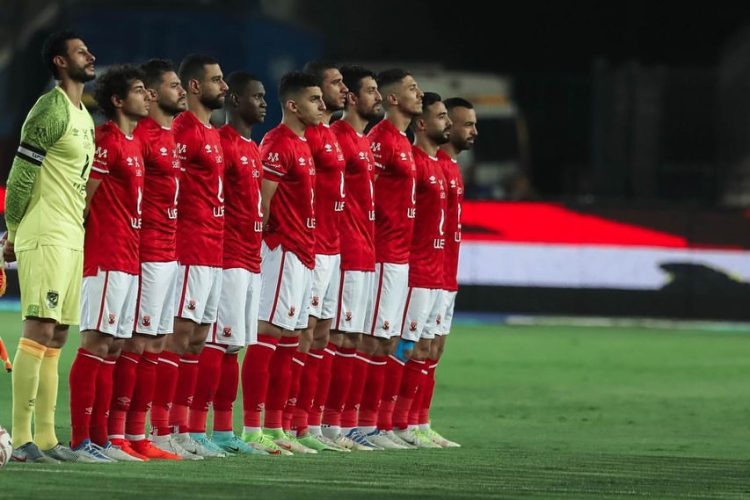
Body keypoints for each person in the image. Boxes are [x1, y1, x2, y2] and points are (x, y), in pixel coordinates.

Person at [4, 30, 96, 463]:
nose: (90, 56)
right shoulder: (50, 108)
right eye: (80, 52)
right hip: (45, 231)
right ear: (60, 62)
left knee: (58, 334)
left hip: (71, 235)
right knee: (39, 327)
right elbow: (21, 174)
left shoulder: (84, 115)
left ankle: (45, 438)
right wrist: (13, 230)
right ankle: (22, 439)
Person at [68, 64, 149, 462]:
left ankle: (101, 440)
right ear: (118, 100)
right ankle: (81, 440)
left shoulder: (133, 143)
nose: (146, 96)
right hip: (106, 256)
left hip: (129, 257)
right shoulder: (108, 140)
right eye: (138, 90)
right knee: (96, 344)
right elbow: (83, 199)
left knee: (114, 346)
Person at [240, 71, 322, 455]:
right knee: (267, 334)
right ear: (292, 105)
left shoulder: (302, 143)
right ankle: (251, 428)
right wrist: (265, 245)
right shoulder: (277, 143)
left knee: (290, 340)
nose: (321, 105)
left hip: (303, 251)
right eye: (314, 99)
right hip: (282, 250)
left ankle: (275, 427)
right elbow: (262, 201)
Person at [187, 71, 269, 455]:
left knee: (233, 346)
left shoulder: (252, 148)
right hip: (227, 256)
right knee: (215, 345)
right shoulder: (221, 142)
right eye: (257, 96)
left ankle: (223, 431)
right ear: (236, 100)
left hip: (251, 258)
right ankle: (194, 429)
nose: (264, 103)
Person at [150, 54, 228, 458]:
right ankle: (160, 429)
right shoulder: (183, 130)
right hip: (188, 248)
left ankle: (183, 430)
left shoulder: (211, 132)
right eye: (217, 79)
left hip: (213, 250)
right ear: (196, 86)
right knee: (178, 337)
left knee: (197, 341)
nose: (224, 87)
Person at [118, 59, 190, 460]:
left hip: (170, 252)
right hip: (144, 252)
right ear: (151, 92)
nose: (180, 91)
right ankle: (117, 434)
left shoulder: (171, 136)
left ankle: (138, 434)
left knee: (157, 344)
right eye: (173, 85)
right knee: (137, 342)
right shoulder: (142, 136)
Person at [284, 60, 349, 452]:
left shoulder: (329, 133)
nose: (343, 89)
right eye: (335, 82)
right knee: (301, 334)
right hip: (308, 246)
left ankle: (309, 423)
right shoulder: (305, 136)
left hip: (332, 247)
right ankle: (288, 423)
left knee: (322, 335)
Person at [361, 68, 423, 449]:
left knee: (391, 342)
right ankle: (361, 424)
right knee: (376, 342)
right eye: (413, 89)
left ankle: (379, 425)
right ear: (393, 99)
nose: (420, 94)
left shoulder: (403, 141)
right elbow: (363, 195)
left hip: (401, 256)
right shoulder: (380, 141)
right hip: (383, 254)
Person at [322, 64, 383, 450]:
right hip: (343, 252)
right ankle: (325, 423)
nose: (376, 97)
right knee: (337, 336)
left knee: (354, 338)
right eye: (370, 90)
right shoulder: (338, 137)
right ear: (352, 98)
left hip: (365, 252)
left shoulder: (361, 141)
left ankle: (344, 423)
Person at [391, 92, 449, 448]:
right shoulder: (413, 161)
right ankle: (389, 422)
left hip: (437, 272)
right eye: (441, 116)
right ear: (423, 123)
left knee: (426, 348)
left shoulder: (439, 165)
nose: (449, 123)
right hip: (414, 270)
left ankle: (413, 422)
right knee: (405, 346)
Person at [422, 97, 478, 448]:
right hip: (422, 270)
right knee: (412, 347)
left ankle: (417, 421)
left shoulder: (452, 168)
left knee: (434, 348)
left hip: (445, 272)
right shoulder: (432, 164)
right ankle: (387, 422)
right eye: (466, 124)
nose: (473, 131)